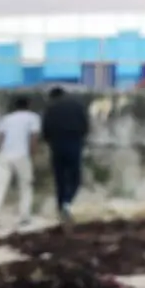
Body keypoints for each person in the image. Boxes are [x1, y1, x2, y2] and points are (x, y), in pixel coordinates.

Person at [0, 95, 41, 228]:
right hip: (22, 154)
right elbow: (33, 138)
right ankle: (24, 216)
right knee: (25, 186)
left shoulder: (6, 118)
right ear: (28, 105)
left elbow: (1, 138)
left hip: (4, 155)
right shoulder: (33, 118)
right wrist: (33, 156)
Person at [41, 86, 91, 222]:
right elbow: (85, 126)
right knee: (75, 178)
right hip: (74, 144)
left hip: (56, 146)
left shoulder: (50, 109)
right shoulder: (77, 106)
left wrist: (50, 141)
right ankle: (67, 203)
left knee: (60, 179)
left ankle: (60, 207)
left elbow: (45, 131)